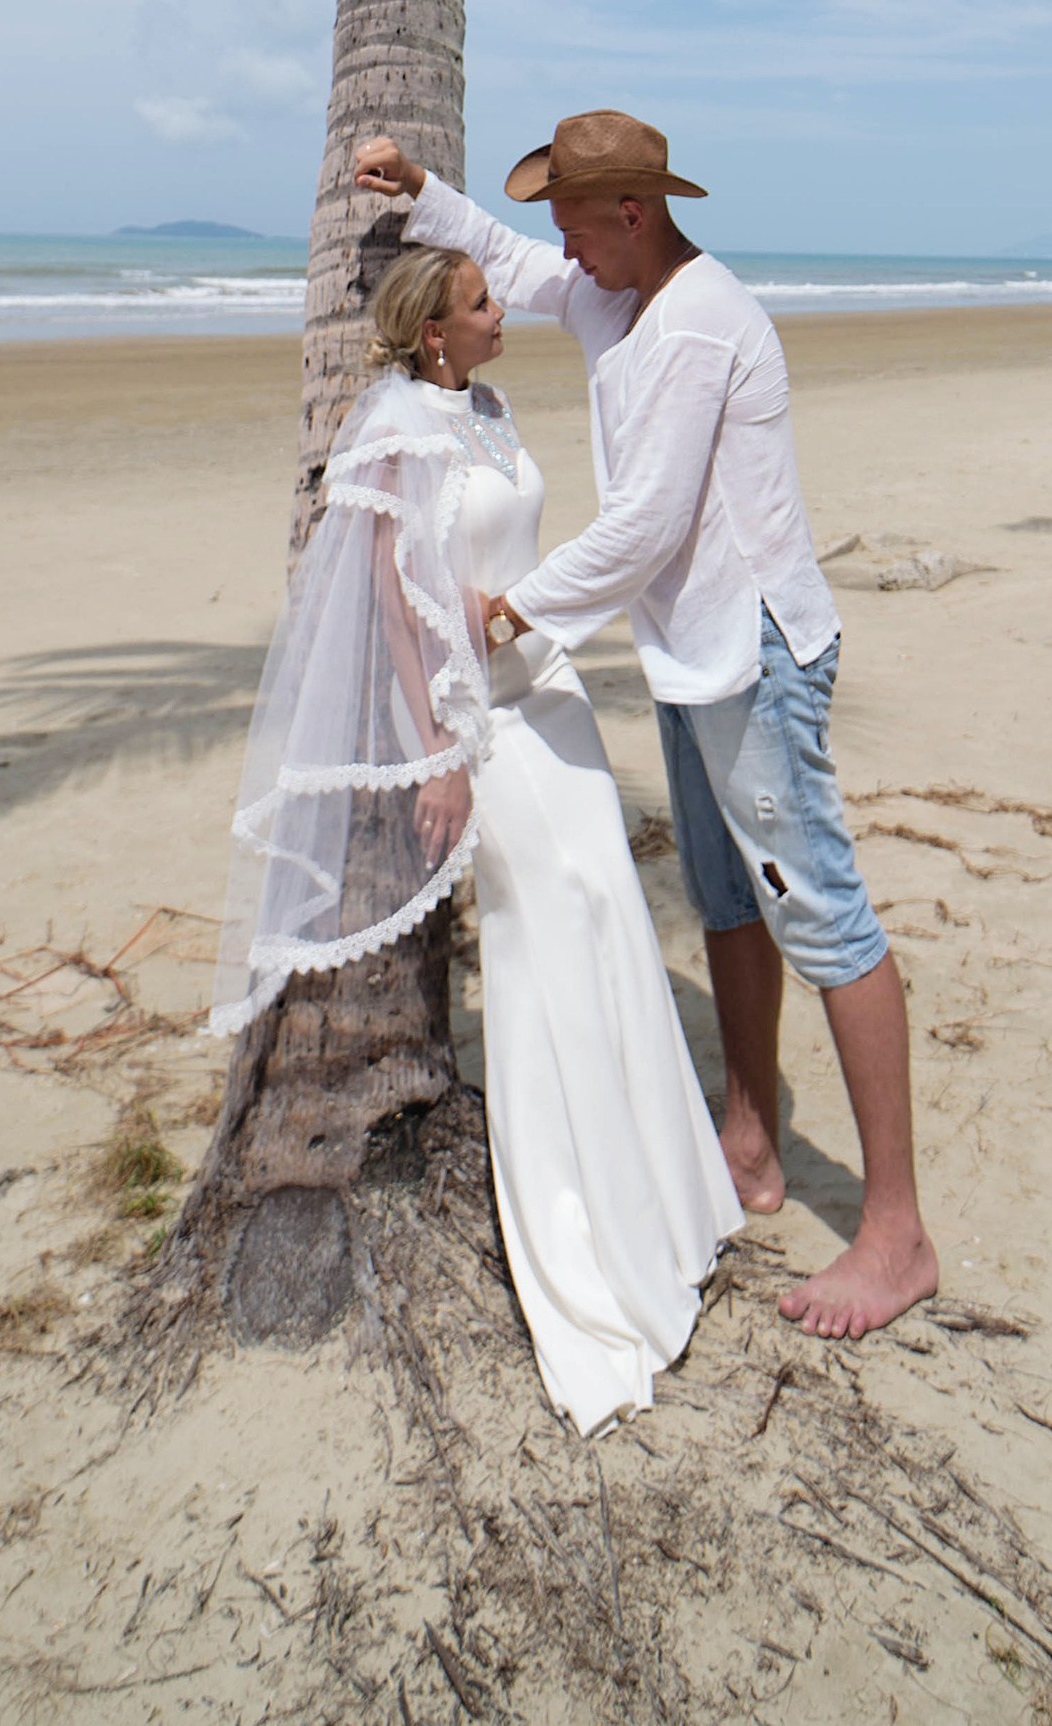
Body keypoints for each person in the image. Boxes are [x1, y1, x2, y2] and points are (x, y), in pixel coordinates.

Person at [355, 111, 939, 1340]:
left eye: (572, 219)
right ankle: (748, 1135)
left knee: (819, 910)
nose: (555, 249)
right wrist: (425, 191)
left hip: (754, 653)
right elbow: (507, 269)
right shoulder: (612, 295)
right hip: (688, 656)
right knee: (729, 904)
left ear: (634, 214)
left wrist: (509, 609)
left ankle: (896, 1234)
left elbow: (649, 528)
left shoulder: (695, 324)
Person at [209, 232, 738, 1435]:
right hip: (485, 729)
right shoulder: (397, 426)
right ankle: (583, 1244)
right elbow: (401, 602)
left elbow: (521, 558)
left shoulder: (490, 405)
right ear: (432, 329)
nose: (505, 314)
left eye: (497, 295)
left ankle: (666, 1208)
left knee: (608, 922)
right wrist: (441, 751)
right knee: (544, 951)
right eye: (483, 302)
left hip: (555, 704)